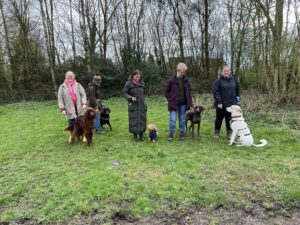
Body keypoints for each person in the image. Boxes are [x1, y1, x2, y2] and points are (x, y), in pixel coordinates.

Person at [165, 63, 193, 141]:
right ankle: (171, 134)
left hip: (183, 104)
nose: (183, 74)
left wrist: (190, 102)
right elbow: (166, 92)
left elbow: (189, 92)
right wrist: (169, 99)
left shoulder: (186, 80)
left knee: (182, 119)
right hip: (173, 104)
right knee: (173, 119)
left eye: (184, 72)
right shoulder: (171, 80)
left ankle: (182, 133)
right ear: (178, 70)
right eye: (182, 72)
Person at [57, 71, 87, 142]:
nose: (70, 78)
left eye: (71, 77)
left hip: (80, 108)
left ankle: (84, 135)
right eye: (68, 77)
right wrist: (62, 109)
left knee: (82, 123)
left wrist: (84, 103)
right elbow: (60, 98)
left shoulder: (78, 85)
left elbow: (83, 95)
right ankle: (71, 136)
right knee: (71, 123)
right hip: (69, 109)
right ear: (65, 77)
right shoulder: (62, 87)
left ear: (74, 77)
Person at [213, 65, 240, 140]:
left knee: (229, 119)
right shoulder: (218, 81)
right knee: (219, 119)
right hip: (221, 104)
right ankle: (217, 132)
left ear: (230, 71)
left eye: (227, 70)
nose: (226, 72)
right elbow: (215, 92)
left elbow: (237, 90)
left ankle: (229, 133)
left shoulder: (234, 80)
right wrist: (219, 102)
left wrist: (237, 99)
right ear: (222, 72)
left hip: (231, 104)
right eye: (225, 71)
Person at [123, 70, 147, 141]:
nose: (137, 78)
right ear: (133, 76)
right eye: (136, 77)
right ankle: (135, 136)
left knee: (142, 119)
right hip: (133, 105)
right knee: (133, 120)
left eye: (138, 77)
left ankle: (141, 136)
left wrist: (144, 102)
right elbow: (125, 93)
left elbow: (144, 93)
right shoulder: (128, 84)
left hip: (142, 105)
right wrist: (130, 98)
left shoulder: (142, 84)